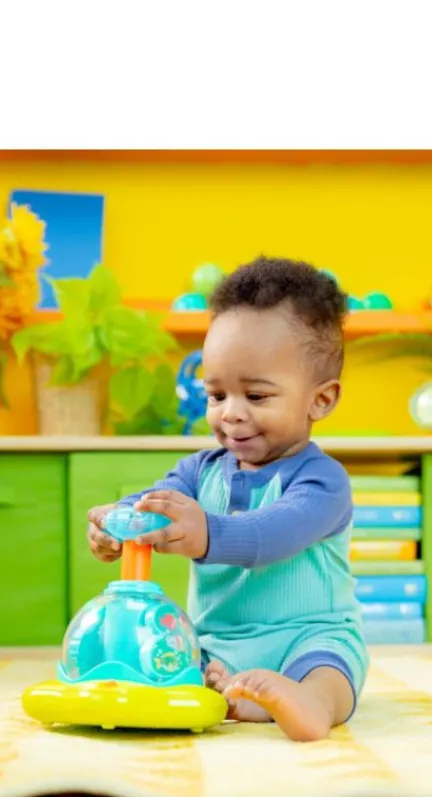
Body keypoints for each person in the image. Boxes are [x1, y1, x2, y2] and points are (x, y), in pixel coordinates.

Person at [87, 256, 367, 741]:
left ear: (320, 399)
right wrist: (122, 521)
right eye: (217, 396)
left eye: (256, 397)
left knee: (331, 671)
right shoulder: (199, 471)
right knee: (171, 660)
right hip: (215, 643)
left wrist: (206, 532)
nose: (231, 414)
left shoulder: (324, 482)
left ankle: (309, 703)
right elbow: (160, 501)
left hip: (306, 638)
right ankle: (238, 695)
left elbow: (270, 533)